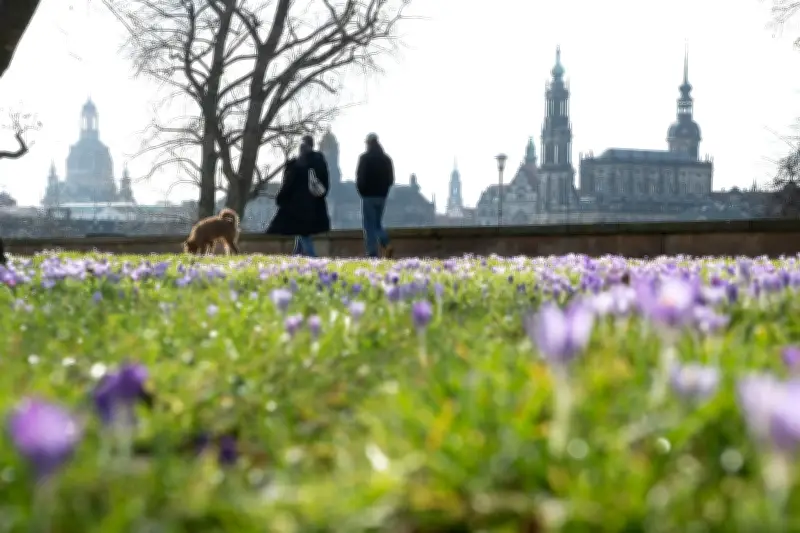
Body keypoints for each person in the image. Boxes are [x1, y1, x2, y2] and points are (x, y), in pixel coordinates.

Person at [265, 135, 331, 256]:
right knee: (302, 233)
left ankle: (313, 259)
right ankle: (297, 255)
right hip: (313, 206)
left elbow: (288, 184)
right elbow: (325, 185)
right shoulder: (319, 162)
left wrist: (281, 198)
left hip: (298, 207)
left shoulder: (296, 164)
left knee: (303, 233)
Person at [356, 132, 394, 258]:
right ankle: (386, 244)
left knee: (369, 226)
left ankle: (372, 253)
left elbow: (360, 177)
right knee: (377, 224)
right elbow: (391, 179)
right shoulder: (386, 159)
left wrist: (362, 192)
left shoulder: (364, 158)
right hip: (381, 196)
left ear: (368, 143)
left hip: (368, 196)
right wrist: (384, 191)